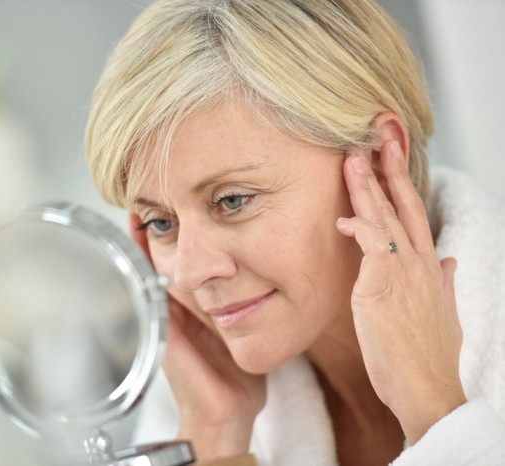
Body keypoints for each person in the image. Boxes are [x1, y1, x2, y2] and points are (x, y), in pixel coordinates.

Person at [84, 0, 505, 464]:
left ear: (377, 163)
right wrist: (214, 436)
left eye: (232, 201)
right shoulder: (193, 392)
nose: (188, 273)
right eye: (161, 223)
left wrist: (435, 411)